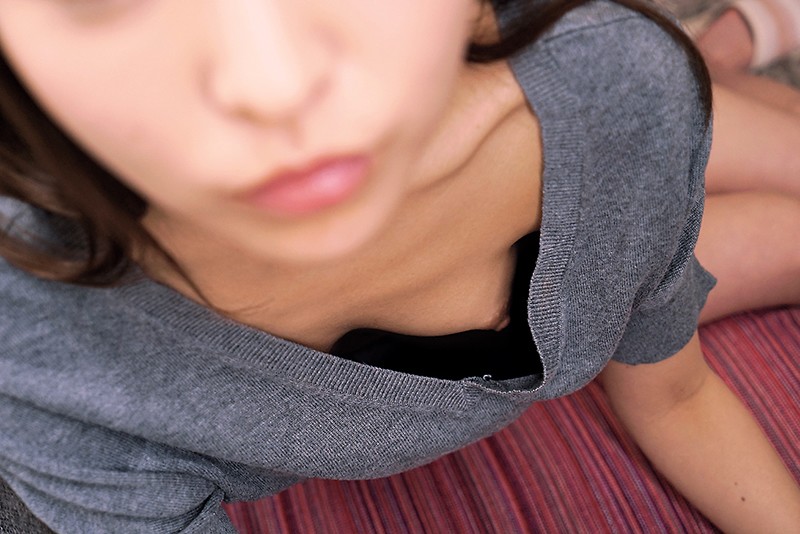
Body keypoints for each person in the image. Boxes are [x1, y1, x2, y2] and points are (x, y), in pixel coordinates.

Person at [0, 0, 797, 532]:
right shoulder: (35, 340)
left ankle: (720, 50)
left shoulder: (615, 81)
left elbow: (678, 394)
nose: (274, 87)